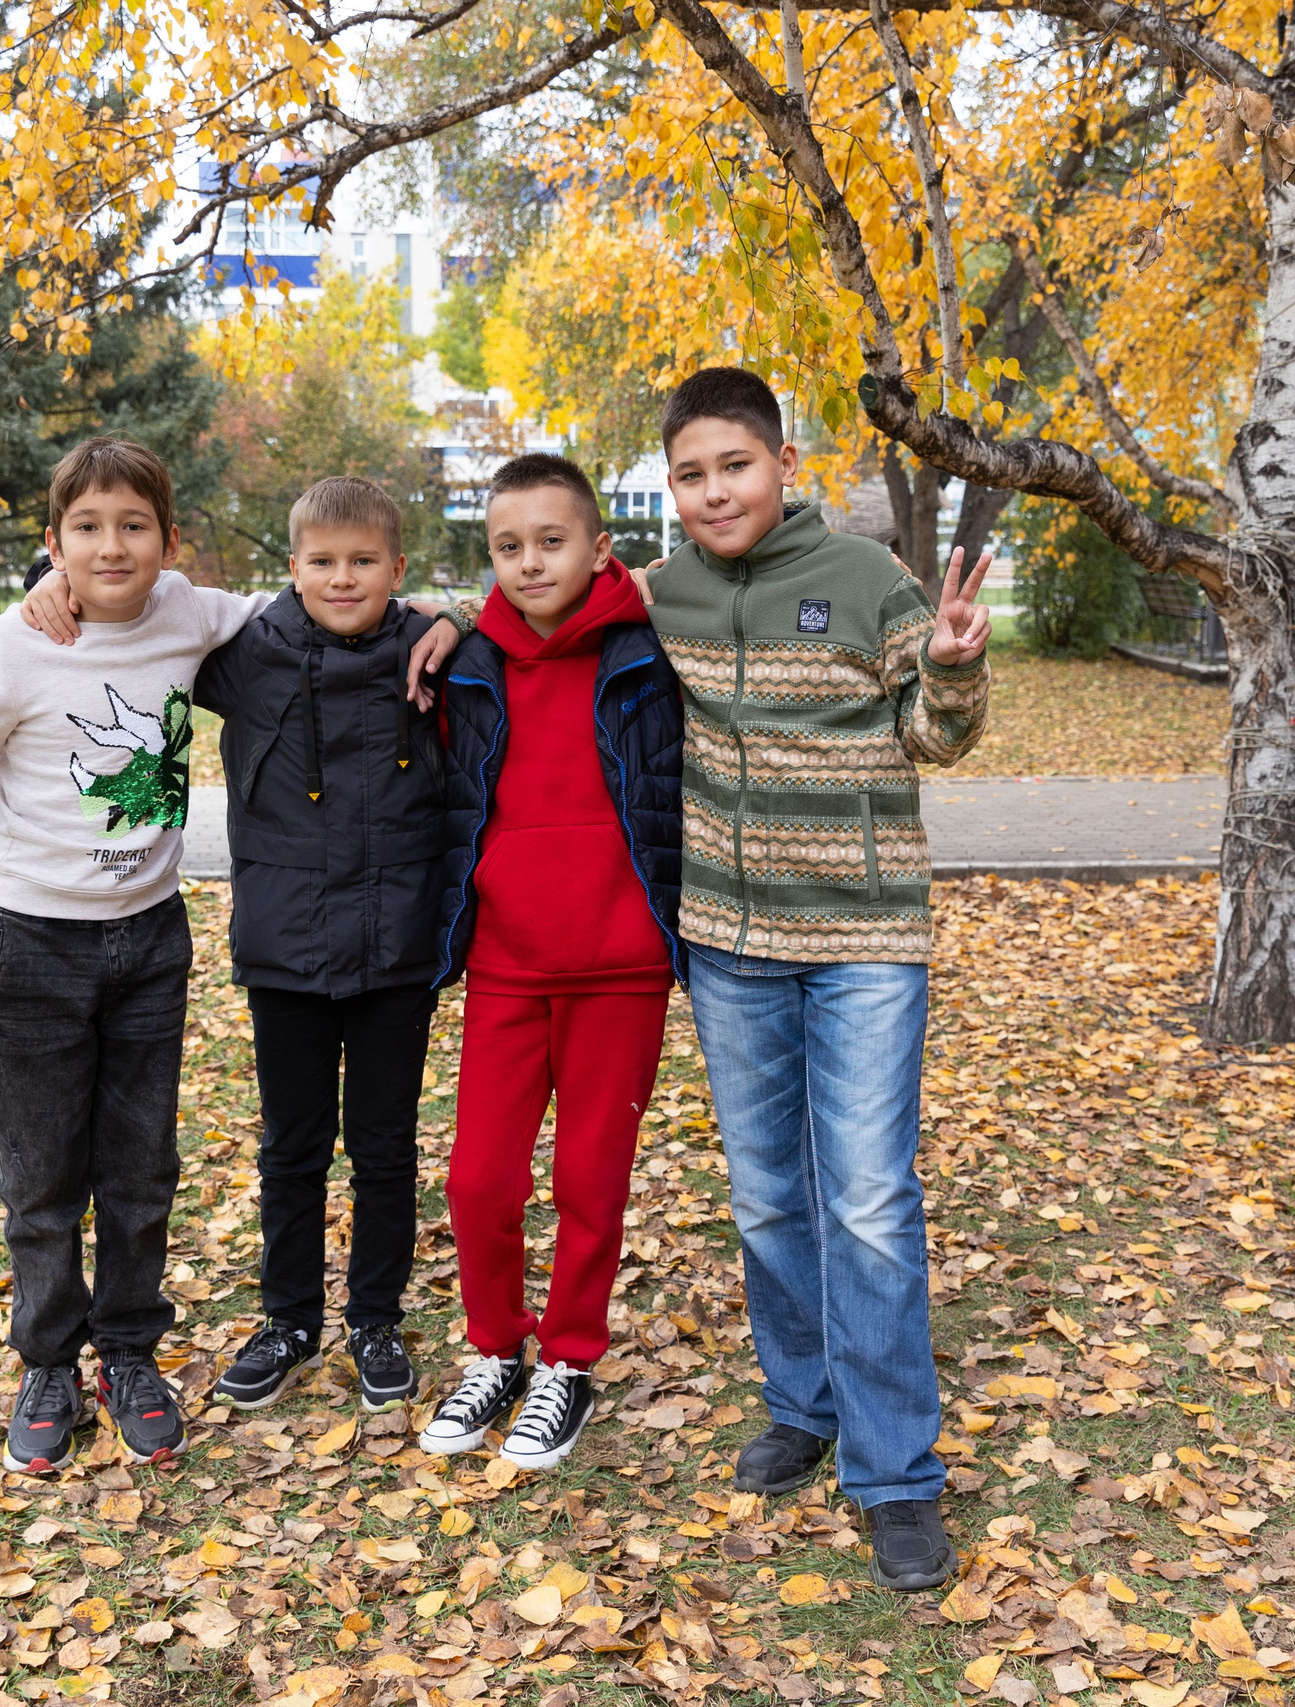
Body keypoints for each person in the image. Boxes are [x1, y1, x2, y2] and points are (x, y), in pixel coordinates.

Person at [637, 367, 995, 1592]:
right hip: (728, 944)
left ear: (784, 464)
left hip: (863, 942)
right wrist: (437, 624)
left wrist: (948, 664)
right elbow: (539, 600)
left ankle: (897, 1475)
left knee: (868, 1202)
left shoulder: (864, 581)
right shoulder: (664, 593)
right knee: (768, 1198)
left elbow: (932, 738)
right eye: (690, 474)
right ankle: (805, 1401)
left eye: (733, 464)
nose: (713, 490)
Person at [23, 477, 462, 1414]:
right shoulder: (246, 651)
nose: (342, 580)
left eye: (363, 563)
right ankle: (290, 1318)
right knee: (293, 1148)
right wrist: (45, 581)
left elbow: (530, 605)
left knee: (384, 1146)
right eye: (321, 562)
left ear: (398, 569)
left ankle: (375, 1316)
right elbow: (137, 621)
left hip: (397, 952)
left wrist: (455, 616)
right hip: (286, 951)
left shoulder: (432, 656)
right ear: (292, 566)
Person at [0, 435, 276, 1475]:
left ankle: (128, 1351)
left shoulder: (193, 612)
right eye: (85, 528)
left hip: (150, 940)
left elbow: (306, 603)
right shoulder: (11, 646)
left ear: (169, 540)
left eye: (132, 526)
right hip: (30, 943)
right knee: (41, 1175)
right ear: (53, 542)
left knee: (139, 1169)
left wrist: (437, 624)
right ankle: (49, 1360)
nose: (110, 547)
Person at [412, 453, 685, 1471]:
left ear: (598, 548)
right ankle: (496, 1351)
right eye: (507, 547)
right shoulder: (468, 659)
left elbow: (720, 566)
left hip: (619, 966)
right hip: (508, 962)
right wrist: (444, 611)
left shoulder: (651, 647)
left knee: (587, 1179)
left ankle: (567, 1361)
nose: (530, 563)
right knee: (478, 1179)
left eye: (552, 542)